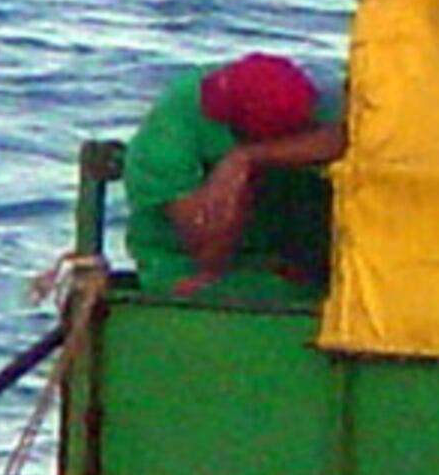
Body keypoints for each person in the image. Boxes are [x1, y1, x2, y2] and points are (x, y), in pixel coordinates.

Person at [118, 53, 346, 305]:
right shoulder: (166, 142)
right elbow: (208, 256)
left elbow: (346, 138)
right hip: (183, 263)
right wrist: (236, 185)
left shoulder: (300, 98)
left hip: (282, 253)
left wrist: (248, 157)